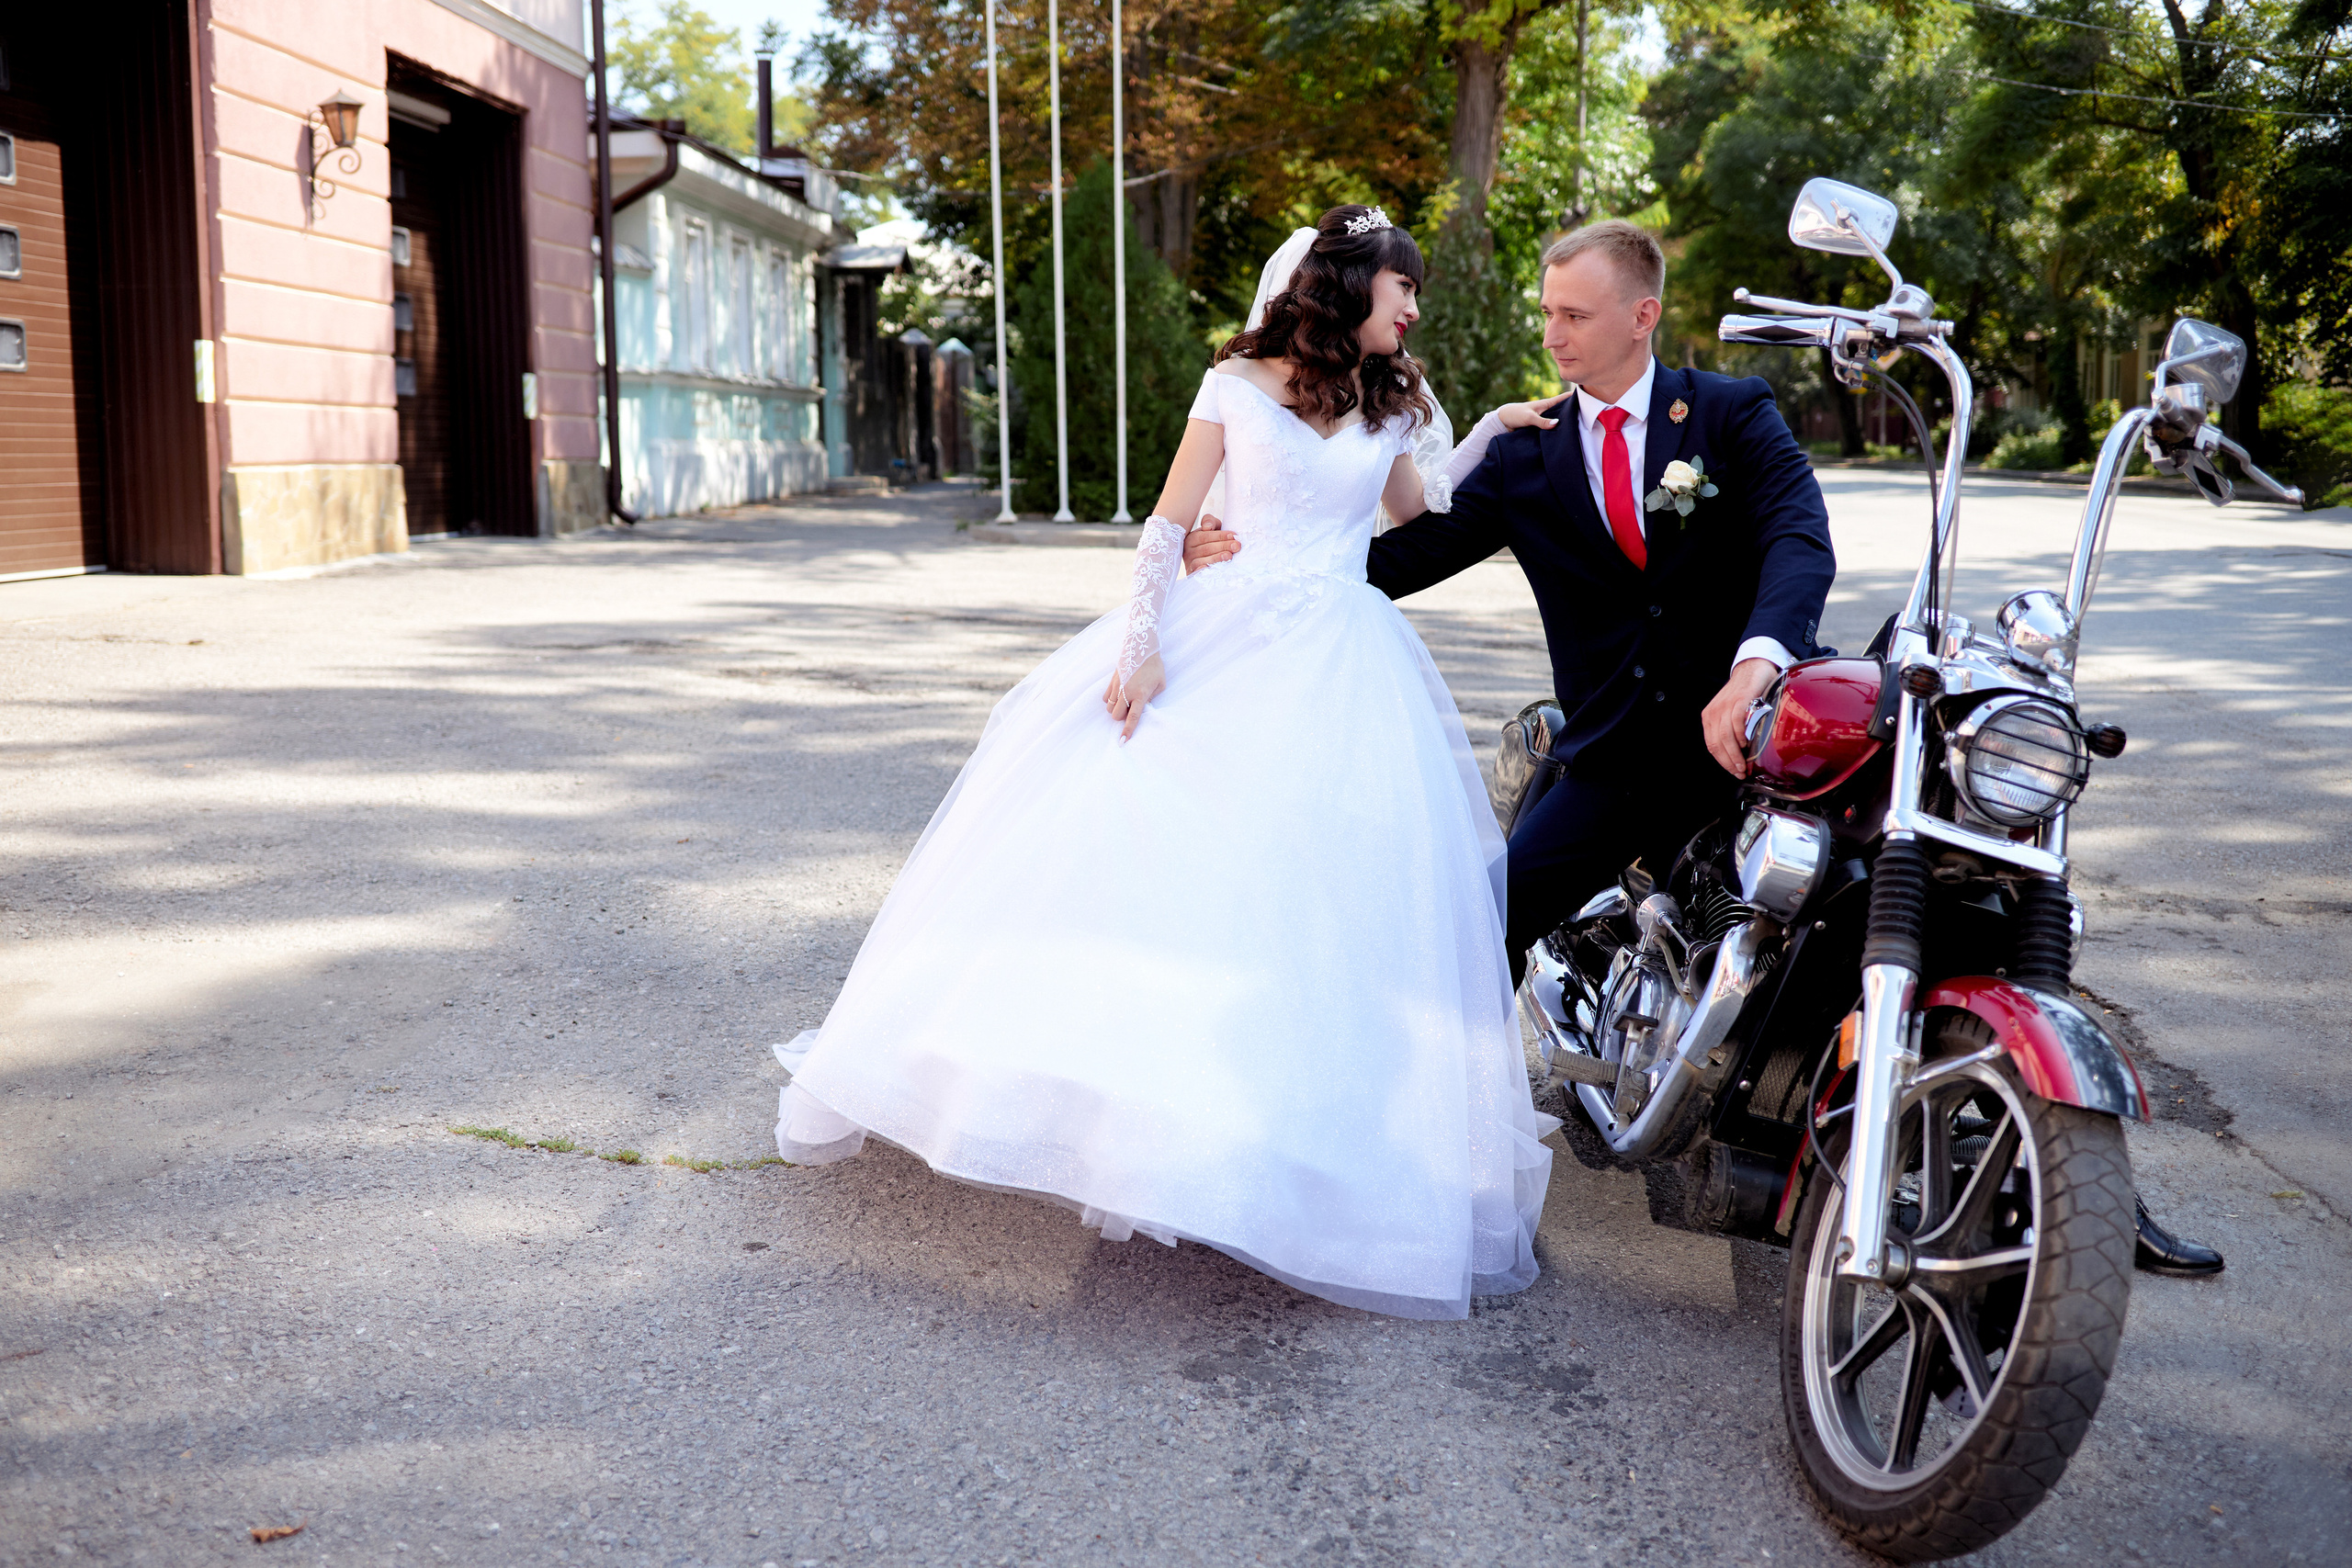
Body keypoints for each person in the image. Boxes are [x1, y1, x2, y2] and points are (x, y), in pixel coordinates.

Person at [1182, 218, 2224, 1278]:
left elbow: (1796, 536)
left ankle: (2081, 1178)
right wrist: (1237, 551)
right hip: (1618, 761)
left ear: (1642, 316)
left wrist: (1753, 666)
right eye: (1546, 313)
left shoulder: (1728, 412)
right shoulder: (1529, 448)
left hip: (1761, 741)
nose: (1551, 334)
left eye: (1572, 315)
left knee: (1970, 890)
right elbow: (1389, 561)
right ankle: (1362, 1152)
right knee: (1470, 930)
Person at [768, 205, 1560, 1321]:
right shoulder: (1233, 385)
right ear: (1349, 289)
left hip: (1341, 659)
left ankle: (1278, 1133)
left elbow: (1417, 511)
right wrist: (1139, 645)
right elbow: (1166, 521)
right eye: (1403, 291)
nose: (1414, 310)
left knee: (1308, 892)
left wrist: (1480, 432)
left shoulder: (1394, 400)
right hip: (1221, 634)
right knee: (1172, 868)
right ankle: (1125, 1118)